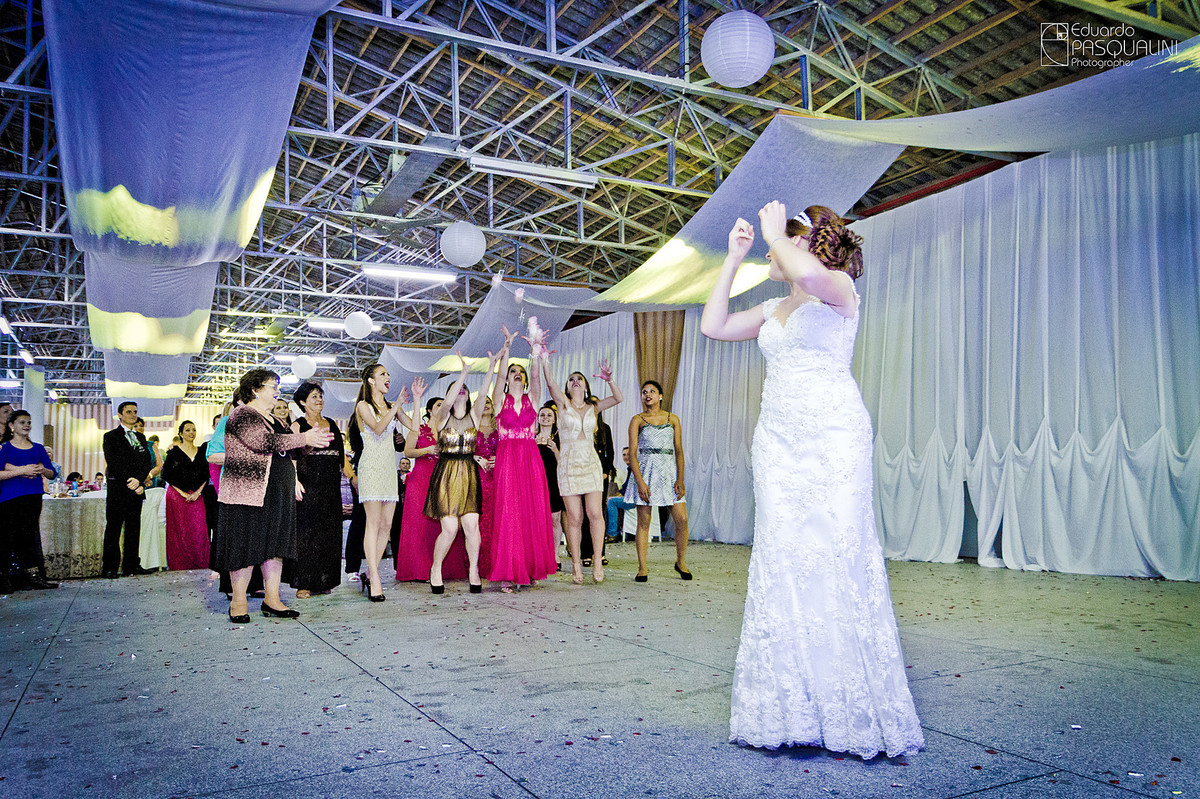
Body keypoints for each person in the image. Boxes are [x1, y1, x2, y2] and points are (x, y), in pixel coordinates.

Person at [701, 203, 923, 758]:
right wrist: (731, 261)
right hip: (777, 444)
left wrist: (775, 236)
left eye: (783, 242)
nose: (771, 252)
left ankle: (849, 707)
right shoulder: (775, 306)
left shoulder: (839, 289)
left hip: (834, 437)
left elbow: (806, 273)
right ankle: (790, 708)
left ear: (806, 242)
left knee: (836, 553)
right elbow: (714, 325)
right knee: (784, 559)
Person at [213, 368, 332, 623]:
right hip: (246, 492)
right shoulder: (241, 415)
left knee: (275, 546)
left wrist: (311, 441)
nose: (277, 390)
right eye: (272, 386)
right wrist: (303, 437)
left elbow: (292, 448)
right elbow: (263, 443)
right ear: (255, 389)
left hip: (276, 491)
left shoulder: (276, 419)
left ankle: (272, 599)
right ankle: (239, 601)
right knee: (245, 547)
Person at [538, 355, 624, 584]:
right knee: (574, 517)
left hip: (590, 462)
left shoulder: (593, 407)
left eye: (579, 379)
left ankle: (597, 559)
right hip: (568, 463)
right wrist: (544, 358)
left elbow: (618, 398)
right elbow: (549, 383)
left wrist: (609, 379)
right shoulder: (563, 405)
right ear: (567, 387)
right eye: (571, 379)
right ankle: (576, 564)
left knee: (595, 513)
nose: (575, 381)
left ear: (585, 385)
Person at [487, 326, 555, 592]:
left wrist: (535, 351)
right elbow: (501, 373)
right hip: (506, 458)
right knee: (508, 512)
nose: (517, 375)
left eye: (520, 373)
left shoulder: (533, 399)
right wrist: (506, 347)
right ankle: (507, 571)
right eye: (513, 373)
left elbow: (537, 376)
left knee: (531, 511)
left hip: (529, 458)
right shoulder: (499, 400)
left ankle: (531, 566)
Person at [425, 352, 498, 594]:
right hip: (446, 473)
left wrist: (492, 366)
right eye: (458, 388)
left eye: (466, 388)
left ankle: (474, 570)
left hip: (468, 473)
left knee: (471, 525)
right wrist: (463, 372)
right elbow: (445, 404)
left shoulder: (474, 416)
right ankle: (436, 569)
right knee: (449, 528)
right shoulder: (442, 416)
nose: (463, 390)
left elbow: (486, 388)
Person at [354, 364, 422, 602]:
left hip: (387, 468)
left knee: (386, 524)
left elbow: (415, 427)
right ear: (371, 380)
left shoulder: (392, 406)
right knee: (372, 522)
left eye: (388, 374)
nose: (387, 378)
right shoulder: (363, 406)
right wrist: (396, 408)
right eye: (382, 374)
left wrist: (415, 399)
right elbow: (378, 427)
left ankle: (369, 572)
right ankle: (374, 576)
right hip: (371, 466)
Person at [396, 395, 468, 583]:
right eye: (438, 405)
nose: (443, 407)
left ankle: (445, 569)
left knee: (445, 525)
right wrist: (427, 450)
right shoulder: (418, 428)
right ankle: (421, 569)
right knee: (422, 525)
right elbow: (408, 451)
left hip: (445, 478)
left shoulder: (449, 430)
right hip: (421, 479)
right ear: (429, 410)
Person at [625, 380, 691, 582]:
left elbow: (679, 451)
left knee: (682, 519)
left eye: (652, 391)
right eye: (644, 391)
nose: (648, 394)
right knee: (644, 522)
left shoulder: (673, 419)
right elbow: (633, 454)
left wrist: (680, 478)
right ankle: (642, 568)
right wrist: (640, 482)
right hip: (646, 472)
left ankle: (680, 562)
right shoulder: (637, 420)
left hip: (669, 472)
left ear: (660, 395)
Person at [286, 382, 344, 598]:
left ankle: (323, 580)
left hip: (330, 484)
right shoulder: (297, 425)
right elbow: (291, 457)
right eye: (314, 397)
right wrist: (294, 481)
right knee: (306, 533)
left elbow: (340, 457)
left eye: (320, 396)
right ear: (303, 402)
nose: (319, 400)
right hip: (307, 482)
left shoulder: (331, 424)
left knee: (329, 532)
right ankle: (304, 582)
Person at [0, 410, 59, 591]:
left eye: (29, 422)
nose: (27, 425)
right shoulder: (6, 448)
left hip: (33, 496)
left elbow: (52, 473)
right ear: (12, 426)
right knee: (8, 537)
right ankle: (6, 578)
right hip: (10, 497)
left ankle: (31, 576)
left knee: (28, 536)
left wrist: (41, 469)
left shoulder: (38, 448)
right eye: (22, 422)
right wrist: (22, 470)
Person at [100, 401, 155, 578]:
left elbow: (147, 462)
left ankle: (131, 565)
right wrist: (129, 480)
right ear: (120, 415)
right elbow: (113, 462)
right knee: (114, 528)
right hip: (118, 489)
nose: (133, 414)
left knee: (134, 528)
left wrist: (138, 481)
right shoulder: (111, 436)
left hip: (136, 489)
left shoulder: (140, 438)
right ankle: (110, 567)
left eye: (135, 412)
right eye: (129, 412)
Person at [161, 420, 211, 570]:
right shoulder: (174, 452)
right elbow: (167, 474)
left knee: (199, 528)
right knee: (179, 530)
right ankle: (180, 562)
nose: (191, 433)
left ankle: (200, 561)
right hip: (177, 496)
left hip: (197, 495)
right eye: (188, 430)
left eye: (194, 430)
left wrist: (198, 492)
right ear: (181, 433)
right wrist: (183, 493)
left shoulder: (202, 451)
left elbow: (206, 474)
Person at [581, 408, 616, 564]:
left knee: (598, 514)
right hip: (582, 475)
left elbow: (611, 452)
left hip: (599, 475)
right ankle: (585, 554)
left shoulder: (605, 428)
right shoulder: (580, 426)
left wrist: (605, 472)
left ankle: (599, 553)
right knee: (583, 514)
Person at [533, 403, 564, 564]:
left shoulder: (560, 438)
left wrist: (555, 450)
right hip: (536, 482)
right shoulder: (531, 437)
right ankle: (539, 554)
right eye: (542, 415)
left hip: (554, 481)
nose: (545, 418)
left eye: (549, 415)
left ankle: (555, 554)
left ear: (554, 419)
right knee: (537, 519)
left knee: (555, 519)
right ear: (538, 419)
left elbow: (565, 463)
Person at [474, 398, 499, 577]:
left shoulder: (500, 430)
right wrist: (476, 458)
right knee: (477, 518)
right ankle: (476, 564)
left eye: (489, 402)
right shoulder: (471, 429)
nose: (486, 404)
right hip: (476, 477)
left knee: (495, 519)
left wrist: (500, 458)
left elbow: (509, 449)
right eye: (482, 402)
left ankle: (495, 563)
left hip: (497, 477)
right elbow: (462, 450)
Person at [606, 447, 636, 540]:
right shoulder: (630, 468)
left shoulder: (633, 468)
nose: (626, 457)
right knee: (611, 501)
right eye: (624, 455)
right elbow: (626, 486)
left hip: (635, 499)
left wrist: (620, 494)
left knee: (611, 501)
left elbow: (629, 486)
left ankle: (613, 534)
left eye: (628, 454)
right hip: (630, 497)